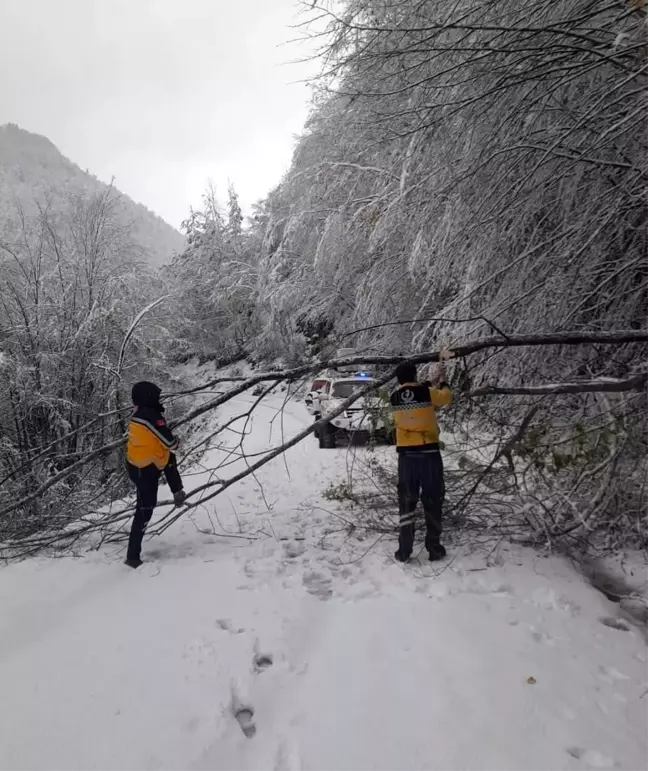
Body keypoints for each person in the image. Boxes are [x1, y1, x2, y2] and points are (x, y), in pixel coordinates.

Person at [390, 360, 452, 562]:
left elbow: (414, 394)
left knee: (407, 501)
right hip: (428, 454)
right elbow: (445, 397)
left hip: (406, 458)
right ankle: (434, 547)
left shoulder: (394, 397)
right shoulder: (427, 393)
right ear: (415, 376)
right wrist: (442, 381)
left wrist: (426, 384)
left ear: (399, 380)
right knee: (433, 499)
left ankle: (404, 550)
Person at [125, 381, 186, 568]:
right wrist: (176, 441)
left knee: (169, 460)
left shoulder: (139, 412)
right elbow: (170, 442)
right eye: (156, 396)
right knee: (145, 509)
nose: (159, 399)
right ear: (149, 397)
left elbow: (163, 444)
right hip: (144, 469)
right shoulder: (150, 416)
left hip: (139, 463)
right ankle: (132, 557)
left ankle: (178, 491)